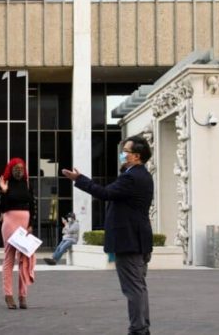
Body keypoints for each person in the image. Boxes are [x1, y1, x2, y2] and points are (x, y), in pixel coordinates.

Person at [61, 135, 154, 335]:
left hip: (129, 241)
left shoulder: (131, 177)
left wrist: (79, 179)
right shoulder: (143, 175)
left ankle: (138, 329)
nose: (122, 154)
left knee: (133, 289)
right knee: (139, 287)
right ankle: (142, 327)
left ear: (136, 156)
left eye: (125, 151)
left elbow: (104, 193)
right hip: (139, 239)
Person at [0, 158, 37, 310]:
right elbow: (2, 207)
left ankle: (23, 295)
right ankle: (8, 295)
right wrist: (4, 191)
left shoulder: (27, 184)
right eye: (16, 168)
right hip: (10, 222)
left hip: (25, 223)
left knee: (24, 259)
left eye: (21, 168)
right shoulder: (5, 183)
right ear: (10, 169)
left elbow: (32, 204)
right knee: (9, 258)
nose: (19, 170)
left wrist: (31, 224)